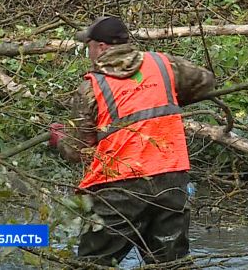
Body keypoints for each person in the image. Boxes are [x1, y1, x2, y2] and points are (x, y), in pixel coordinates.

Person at [48, 16, 215, 266]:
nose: (89, 51)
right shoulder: (163, 64)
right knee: (170, 263)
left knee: (93, 262)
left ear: (101, 47)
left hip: (120, 186)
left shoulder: (92, 87)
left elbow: (78, 150)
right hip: (171, 178)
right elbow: (206, 82)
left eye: (89, 45)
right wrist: (166, 96)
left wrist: (59, 136)